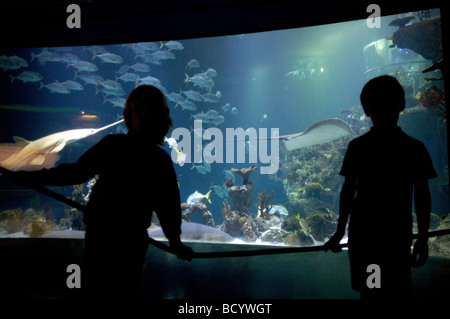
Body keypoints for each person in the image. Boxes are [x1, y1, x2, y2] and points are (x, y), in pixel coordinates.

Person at [11, 85, 193, 299]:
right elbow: (74, 173)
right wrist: (176, 244)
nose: (142, 115)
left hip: (112, 240)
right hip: (117, 241)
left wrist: (175, 241)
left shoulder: (121, 148)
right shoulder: (148, 156)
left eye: (147, 110)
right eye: (138, 109)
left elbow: (167, 207)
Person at [324, 75, 436, 299]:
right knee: (395, 290)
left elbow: (348, 192)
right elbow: (422, 196)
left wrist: (339, 232)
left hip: (368, 238)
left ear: (366, 110)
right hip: (395, 237)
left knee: (372, 291)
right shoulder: (414, 148)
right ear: (402, 105)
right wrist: (422, 238)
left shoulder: (358, 147)